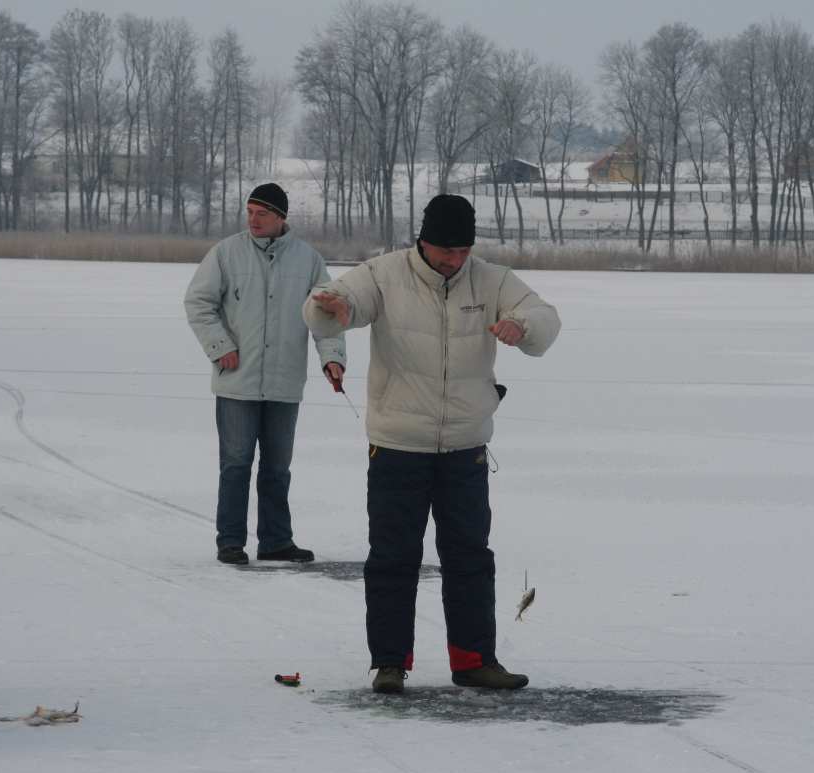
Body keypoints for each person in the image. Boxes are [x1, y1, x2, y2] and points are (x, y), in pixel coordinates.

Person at [303, 194, 561, 694]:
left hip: (465, 446)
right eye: (446, 250)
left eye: (464, 250)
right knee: (393, 556)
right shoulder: (383, 274)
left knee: (470, 556)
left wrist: (522, 326)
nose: (455, 260)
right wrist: (330, 310)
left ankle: (473, 661)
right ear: (422, 241)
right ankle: (390, 663)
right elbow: (332, 306)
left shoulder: (491, 280)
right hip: (398, 444)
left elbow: (545, 318)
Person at [185, 183, 346, 566]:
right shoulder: (226, 253)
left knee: (277, 468)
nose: (253, 220)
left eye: (262, 214)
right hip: (237, 380)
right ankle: (231, 542)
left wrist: (332, 358)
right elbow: (198, 303)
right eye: (250, 212)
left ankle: (276, 541)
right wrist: (220, 346)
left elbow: (327, 315)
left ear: (281, 218)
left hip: (285, 381)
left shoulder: (308, 260)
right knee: (236, 464)